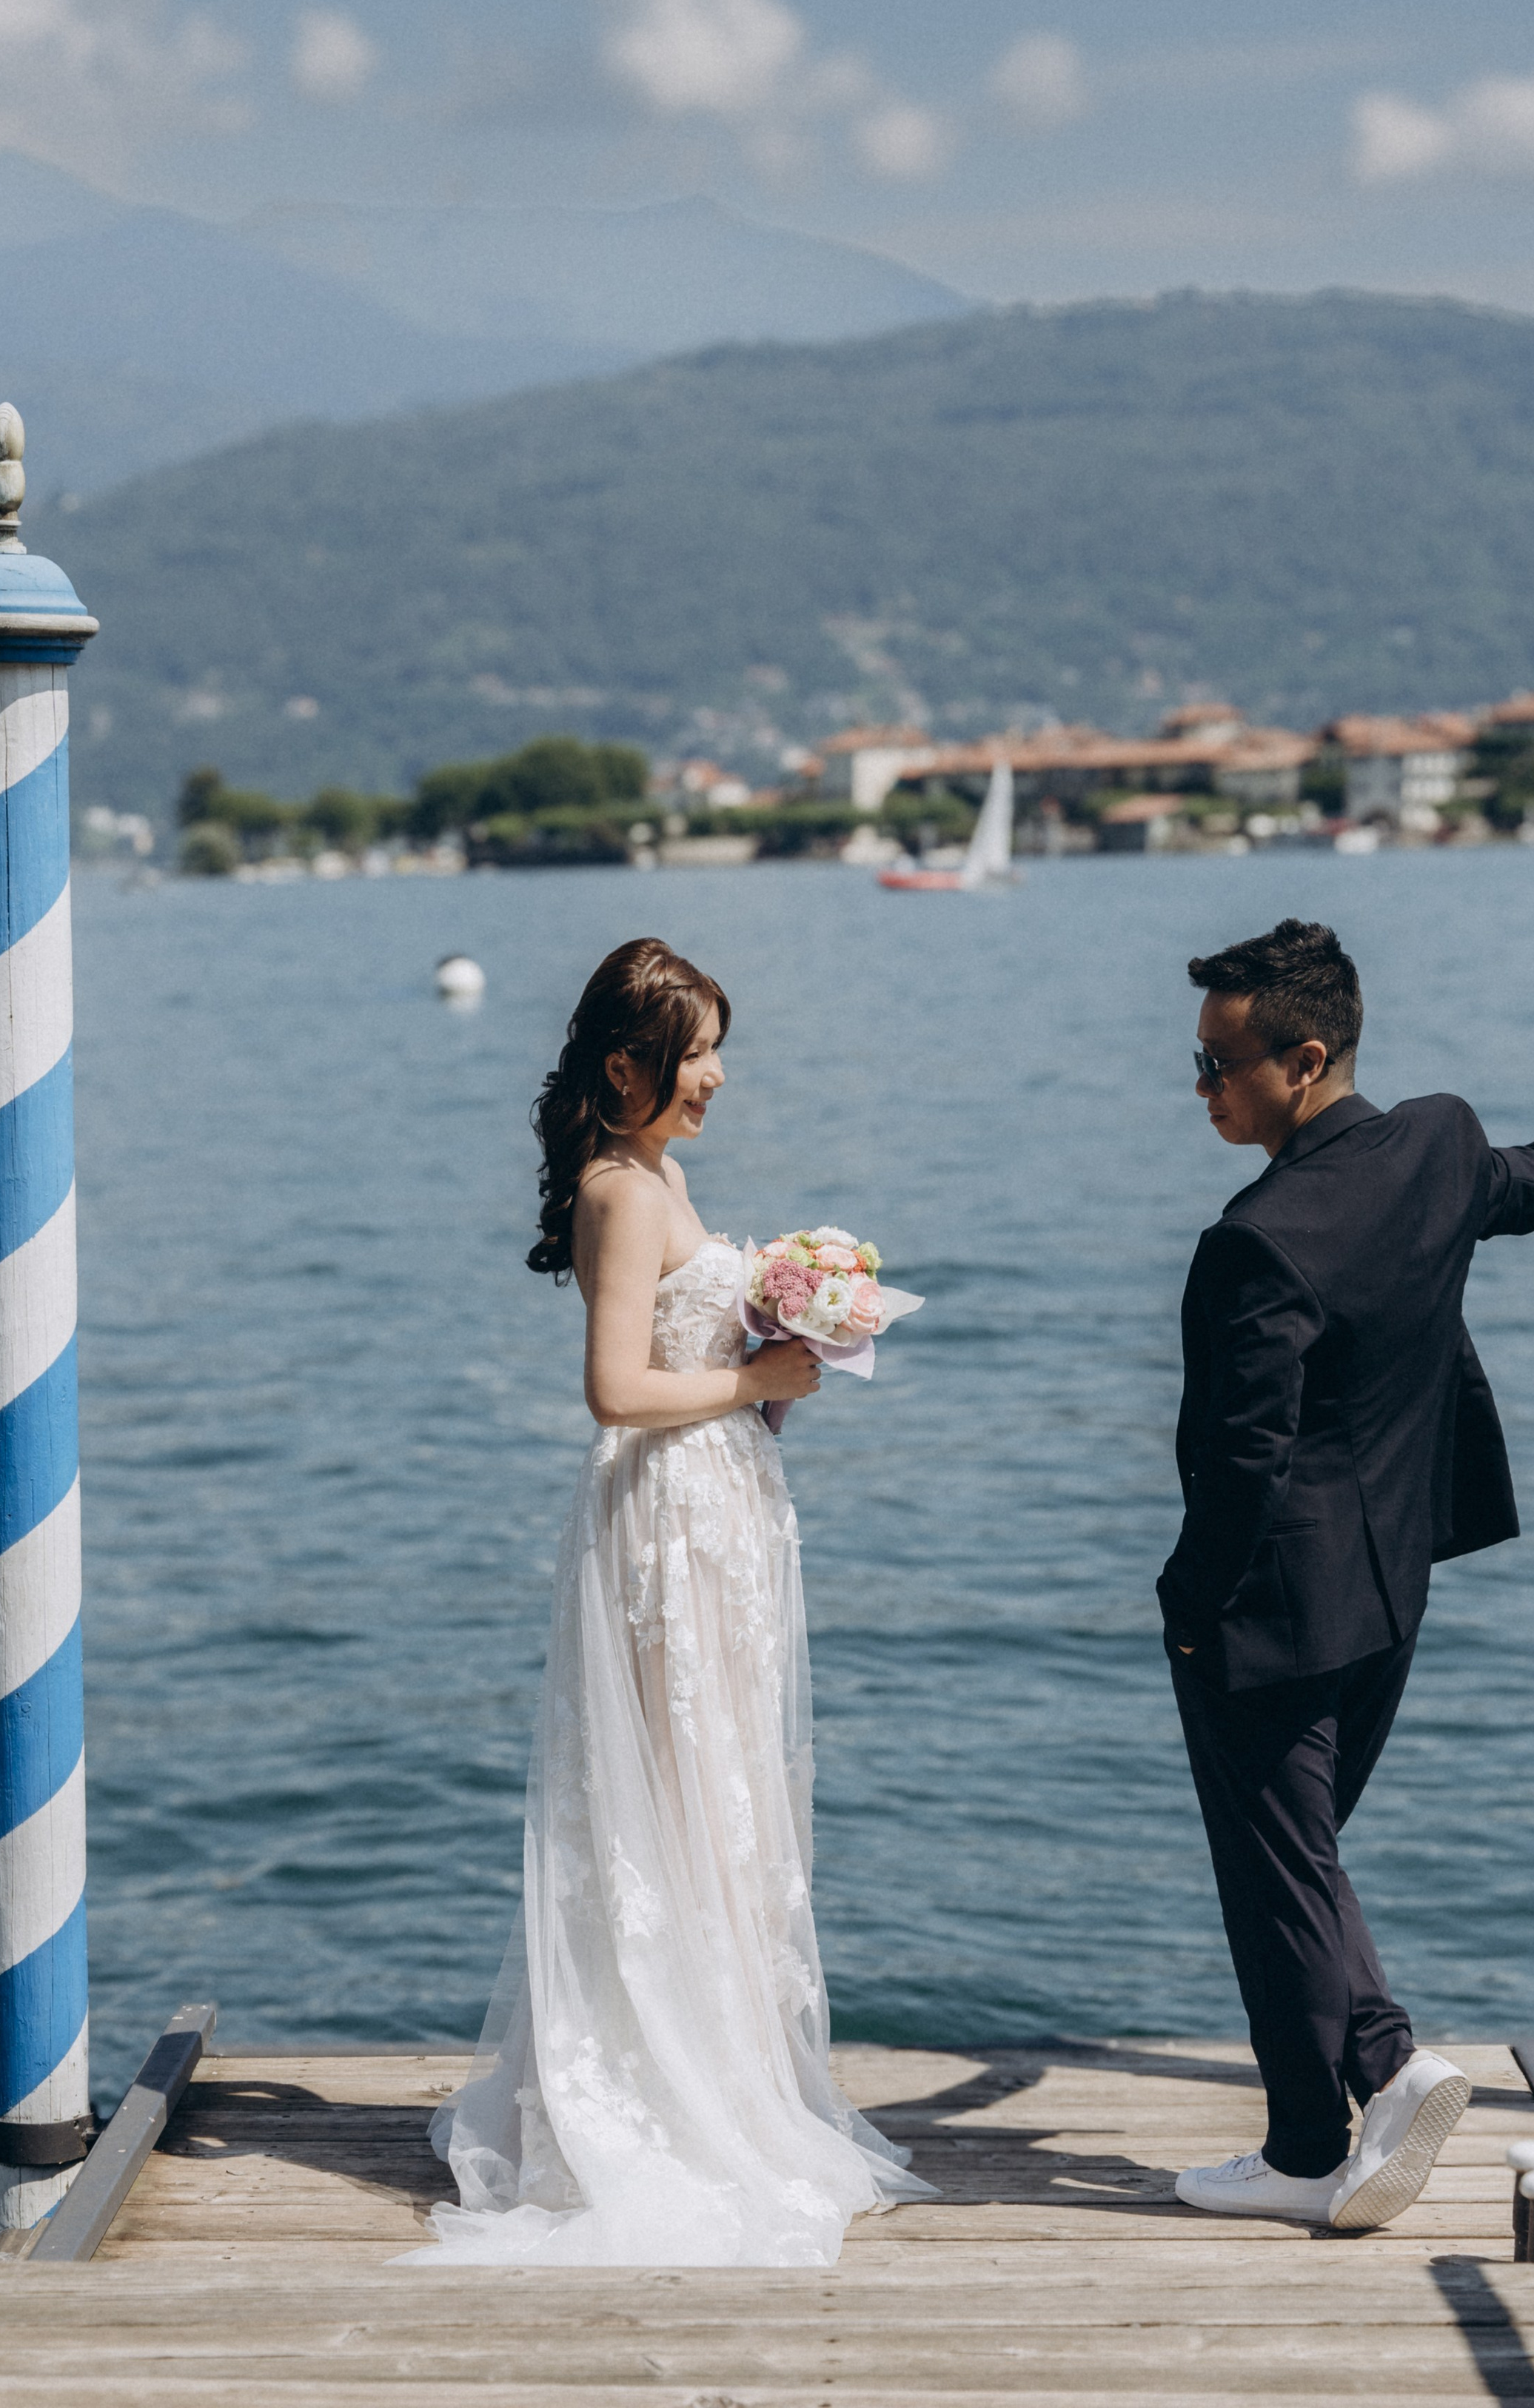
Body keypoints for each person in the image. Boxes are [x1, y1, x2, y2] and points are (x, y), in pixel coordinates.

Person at [1162, 917, 1534, 2233]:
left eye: (1220, 1066)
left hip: (1272, 1607)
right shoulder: (1440, 1146)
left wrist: (1191, 1603)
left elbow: (1243, 1460)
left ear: (1303, 1060)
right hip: (1396, 1585)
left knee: (1280, 1863)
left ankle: (1388, 2066)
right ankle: (1304, 2144)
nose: (1204, 1089)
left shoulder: (1261, 1234)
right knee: (1294, 1862)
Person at [406, 937, 930, 2266]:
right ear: (627, 1063)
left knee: (722, 1794)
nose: (716, 1075)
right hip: (665, 1514)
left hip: (717, 1512)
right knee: (683, 1795)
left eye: (714, 1050)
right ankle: (662, 2096)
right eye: (696, 1052)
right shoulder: (620, 1196)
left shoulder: (659, 1176)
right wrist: (757, 1385)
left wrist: (777, 1350)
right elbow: (616, 1391)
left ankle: (717, 2067)